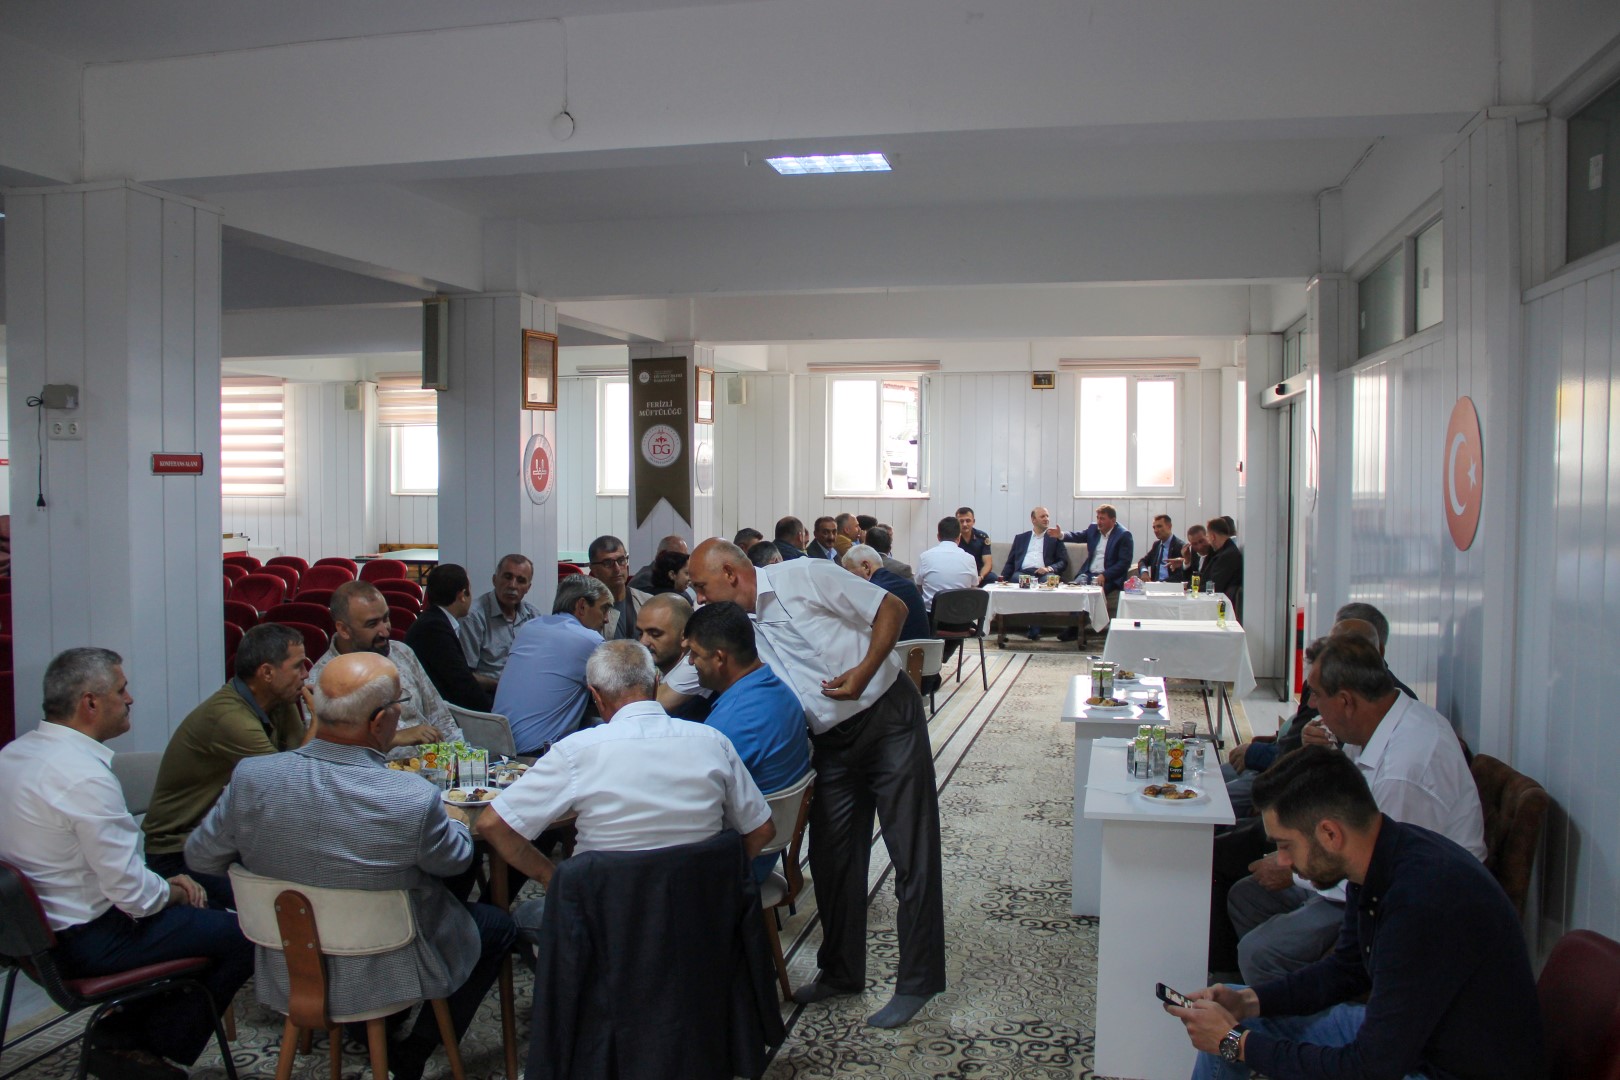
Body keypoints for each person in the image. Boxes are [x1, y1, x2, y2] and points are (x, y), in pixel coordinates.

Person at [187, 652, 517, 1080]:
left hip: (291, 958)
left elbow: (202, 856)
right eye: (398, 706)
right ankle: (414, 1051)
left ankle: (372, 1028)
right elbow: (455, 862)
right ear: (380, 721)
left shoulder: (252, 777)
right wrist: (453, 820)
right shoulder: (410, 797)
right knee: (496, 925)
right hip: (388, 959)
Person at [687, 539, 944, 1029]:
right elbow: (692, 673)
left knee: (912, 852)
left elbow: (891, 608)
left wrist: (864, 670)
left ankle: (919, 980)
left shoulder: (804, 575)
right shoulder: (735, 627)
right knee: (832, 855)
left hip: (887, 717)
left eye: (702, 585)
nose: (699, 596)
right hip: (831, 741)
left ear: (730, 573)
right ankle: (841, 972)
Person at [1169, 746, 1545, 1080]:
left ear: (1330, 834)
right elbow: (1346, 969)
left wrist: (1234, 1044)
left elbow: (1371, 1067)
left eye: (1285, 845)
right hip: (1420, 1044)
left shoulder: (1421, 903)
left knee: (1233, 1038)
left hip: (1447, 1069)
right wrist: (1249, 1002)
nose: (1281, 861)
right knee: (1232, 1011)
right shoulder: (1384, 856)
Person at [0, 648, 253, 1080]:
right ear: (90, 702)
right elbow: (135, 897)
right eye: (121, 690)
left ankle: (126, 1035)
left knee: (203, 914)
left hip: (29, 939)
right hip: (86, 942)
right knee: (245, 934)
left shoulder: (13, 754)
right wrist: (176, 890)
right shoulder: (84, 776)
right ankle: (134, 1045)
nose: (130, 699)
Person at [1227, 635, 1484, 986]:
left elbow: (1380, 872)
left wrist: (1296, 872)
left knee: (1259, 951)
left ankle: (1293, 1010)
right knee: (1247, 896)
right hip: (1368, 873)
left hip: (1413, 903)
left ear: (1346, 701)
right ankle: (1283, 992)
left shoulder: (1403, 771)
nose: (1311, 704)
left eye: (1317, 694)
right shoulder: (1382, 724)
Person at [476, 640, 775, 886]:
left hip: (606, 924)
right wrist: (721, 885)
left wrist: (551, 878)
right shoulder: (714, 742)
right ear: (656, 683)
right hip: (695, 924)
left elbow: (493, 824)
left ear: (596, 696)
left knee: (524, 919)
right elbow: (762, 829)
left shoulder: (575, 752)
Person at [143, 623, 309, 908]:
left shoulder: (279, 700)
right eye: (298, 666)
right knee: (282, 899)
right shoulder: (230, 719)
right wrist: (318, 719)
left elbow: (301, 764)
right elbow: (292, 783)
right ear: (267, 673)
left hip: (226, 839)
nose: (306, 675)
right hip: (180, 851)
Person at [684, 601, 813, 878]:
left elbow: (692, 803)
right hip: (768, 847)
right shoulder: (777, 688)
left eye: (694, 653)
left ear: (720, 658)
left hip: (744, 860)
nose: (690, 662)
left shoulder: (731, 723)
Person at [309, 580, 463, 759]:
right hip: (373, 773)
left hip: (435, 766)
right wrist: (394, 739)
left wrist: (462, 760)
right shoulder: (320, 680)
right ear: (343, 629)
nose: (385, 631)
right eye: (372, 624)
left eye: (386, 619)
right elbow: (328, 755)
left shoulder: (401, 652)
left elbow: (441, 718)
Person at [494, 574, 614, 755]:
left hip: (497, 747)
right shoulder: (590, 640)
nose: (606, 619)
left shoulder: (529, 627)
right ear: (582, 606)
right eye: (604, 609)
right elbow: (620, 694)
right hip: (538, 755)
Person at [404, 562, 494, 711]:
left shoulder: (433, 621)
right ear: (462, 595)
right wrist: (496, 710)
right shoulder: (434, 629)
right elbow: (462, 685)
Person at [458, 553, 541, 687]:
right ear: (494, 580)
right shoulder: (474, 617)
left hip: (527, 690)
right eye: (507, 577)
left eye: (520, 580)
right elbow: (465, 675)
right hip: (489, 694)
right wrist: (504, 686)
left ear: (528, 588)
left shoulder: (533, 616)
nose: (512, 585)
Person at [639, 592, 714, 721]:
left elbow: (644, 710)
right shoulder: (654, 669)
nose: (643, 642)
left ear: (685, 636)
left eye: (655, 633)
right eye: (640, 633)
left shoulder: (696, 666)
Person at [1051, 503, 1134, 618]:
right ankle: (1074, 625)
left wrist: (1105, 575)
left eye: (1102, 519)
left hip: (1109, 578)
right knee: (1074, 591)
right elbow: (1078, 536)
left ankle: (1079, 626)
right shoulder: (1093, 529)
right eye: (1098, 518)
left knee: (1090, 595)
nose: (1099, 522)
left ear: (1113, 520)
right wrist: (1060, 534)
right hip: (1088, 574)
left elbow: (1124, 563)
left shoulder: (1123, 535)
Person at [1002, 506, 1069, 641]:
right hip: (1023, 573)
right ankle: (1026, 627)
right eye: (1042, 516)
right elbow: (1011, 562)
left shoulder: (1054, 538)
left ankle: (1034, 628)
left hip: (1045, 574)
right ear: (1033, 519)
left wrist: (1048, 568)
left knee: (1047, 584)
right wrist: (1002, 578)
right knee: (1024, 583)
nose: (1046, 519)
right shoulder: (1021, 538)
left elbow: (1063, 561)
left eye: (1047, 516)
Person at [843, 543, 930, 642]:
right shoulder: (909, 585)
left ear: (866, 567)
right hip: (923, 649)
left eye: (850, 574)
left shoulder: (873, 591)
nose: (849, 580)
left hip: (893, 650)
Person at [587, 533, 654, 642]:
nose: (617, 569)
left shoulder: (648, 602)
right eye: (608, 563)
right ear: (593, 569)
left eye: (621, 560)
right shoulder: (587, 610)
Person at [915, 514, 979, 614]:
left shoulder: (925, 557)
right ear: (959, 537)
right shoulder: (970, 559)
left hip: (931, 617)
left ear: (938, 537)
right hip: (962, 619)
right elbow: (973, 586)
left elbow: (918, 586)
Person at [1203, 516, 1245, 618]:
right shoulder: (1222, 552)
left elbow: (1214, 585)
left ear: (1213, 536)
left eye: (1208, 537)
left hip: (1219, 606)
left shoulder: (1228, 555)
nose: (1208, 541)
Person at [1137, 514, 1185, 582]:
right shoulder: (1157, 545)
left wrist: (1162, 583)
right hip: (1155, 586)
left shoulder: (1180, 546)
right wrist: (1144, 572)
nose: (1156, 530)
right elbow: (1142, 561)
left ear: (1169, 526)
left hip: (1172, 586)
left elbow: (1183, 574)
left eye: (1159, 526)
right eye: (1154, 527)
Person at [955, 506, 996, 584]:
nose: (964, 524)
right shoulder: (953, 537)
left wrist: (981, 576)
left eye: (968, 521)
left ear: (973, 521)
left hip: (978, 573)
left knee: (992, 577)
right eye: (961, 521)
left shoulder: (982, 537)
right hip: (959, 573)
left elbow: (988, 563)